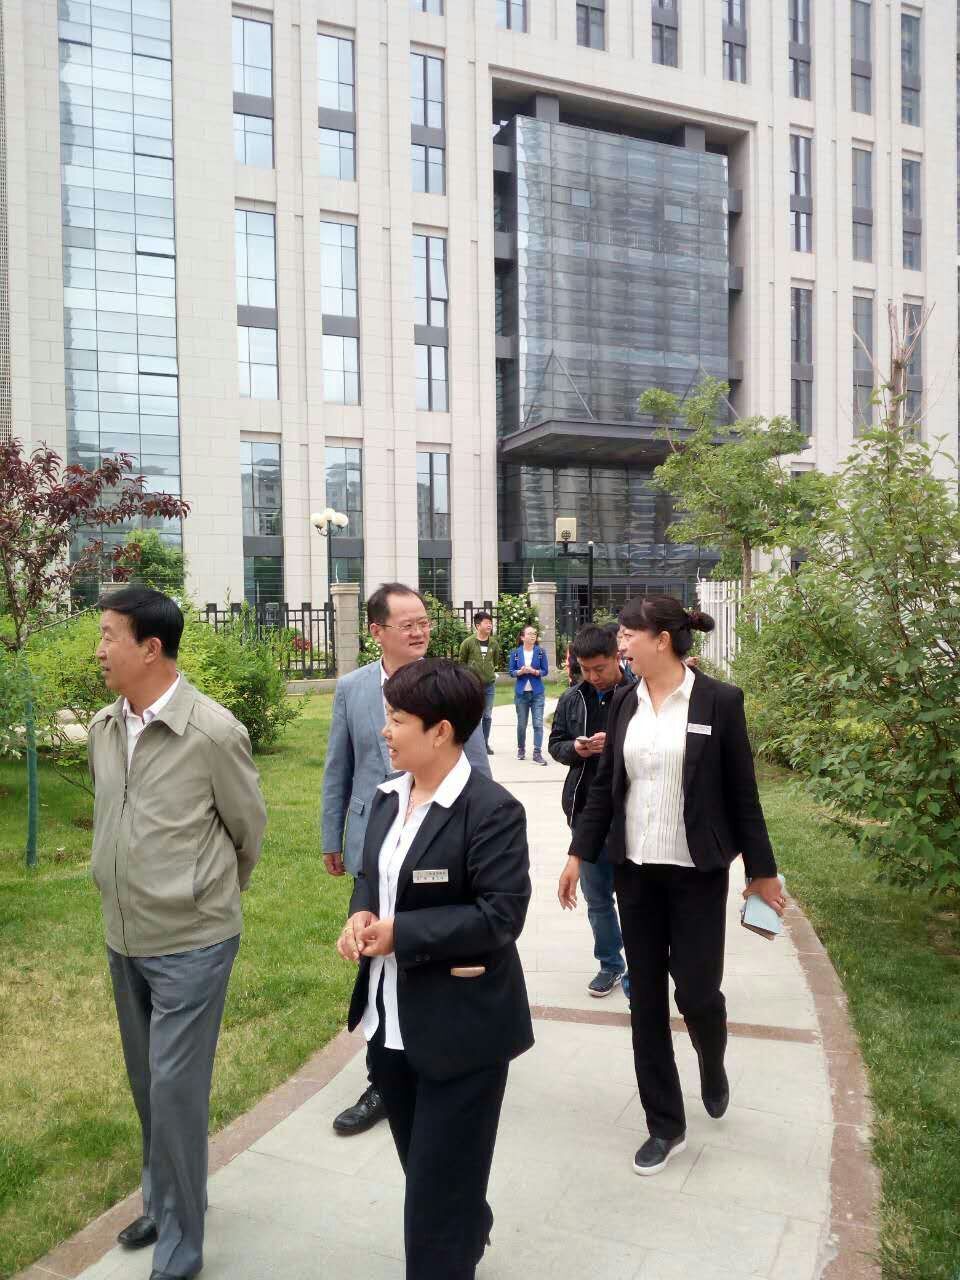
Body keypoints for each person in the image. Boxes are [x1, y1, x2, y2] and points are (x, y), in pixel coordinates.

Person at [557, 596, 786, 1177]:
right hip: (634, 872)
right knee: (647, 1001)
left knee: (698, 994)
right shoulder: (624, 701)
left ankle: (711, 1056)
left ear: (661, 639)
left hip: (696, 874)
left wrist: (761, 872)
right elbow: (606, 787)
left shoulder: (719, 701)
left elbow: (742, 793)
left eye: (628, 634)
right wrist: (578, 854)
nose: (621, 644)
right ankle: (664, 1122)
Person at [88, 587, 267, 1280]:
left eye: (109, 636)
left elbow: (247, 831)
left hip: (193, 941)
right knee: (147, 1083)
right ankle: (165, 1201)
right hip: (124, 934)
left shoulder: (213, 732)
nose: (99, 651)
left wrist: (203, 894)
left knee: (174, 1091)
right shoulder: (106, 727)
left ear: (151, 648)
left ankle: (181, 1249)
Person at [337, 659, 533, 1279]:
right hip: (391, 1025)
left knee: (432, 1202)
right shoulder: (387, 798)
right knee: (430, 1172)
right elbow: (372, 877)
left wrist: (404, 934)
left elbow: (500, 916)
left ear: (441, 731)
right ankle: (468, 1220)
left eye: (397, 720)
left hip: (462, 1031)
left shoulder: (491, 811)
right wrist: (362, 915)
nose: (384, 732)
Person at [322, 584, 492, 1136]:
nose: (419, 632)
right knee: (373, 953)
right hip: (377, 841)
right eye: (407, 624)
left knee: (428, 951)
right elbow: (339, 766)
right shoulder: (352, 688)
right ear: (376, 631)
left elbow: (476, 764)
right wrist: (332, 836)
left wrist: (479, 831)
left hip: (440, 842)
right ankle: (384, 1078)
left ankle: (440, 1058)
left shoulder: (448, 686)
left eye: (424, 622)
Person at [548, 625, 634, 999]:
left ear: (617, 657)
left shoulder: (638, 694)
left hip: (630, 813)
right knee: (597, 898)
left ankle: (640, 969)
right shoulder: (573, 698)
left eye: (600, 668)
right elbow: (556, 744)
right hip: (585, 810)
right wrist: (576, 749)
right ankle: (610, 963)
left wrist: (615, 744)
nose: (594, 677)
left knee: (634, 899)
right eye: (586, 669)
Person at [457, 610, 503, 754]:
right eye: (486, 622)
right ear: (478, 625)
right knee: (474, 715)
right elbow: (462, 662)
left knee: (487, 715)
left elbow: (495, 661)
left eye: (491, 622)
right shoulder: (468, 643)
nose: (490, 625)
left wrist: (489, 672)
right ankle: (471, 745)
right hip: (473, 686)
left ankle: (485, 743)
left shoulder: (494, 643)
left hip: (489, 685)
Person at [509, 623, 550, 764]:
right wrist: (520, 672)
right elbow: (511, 672)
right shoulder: (515, 653)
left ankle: (537, 753)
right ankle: (521, 749)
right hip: (521, 693)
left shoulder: (540, 652)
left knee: (538, 723)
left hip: (537, 693)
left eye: (534, 634)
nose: (533, 636)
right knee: (522, 724)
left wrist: (535, 671)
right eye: (530, 634)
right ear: (522, 637)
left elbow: (545, 671)